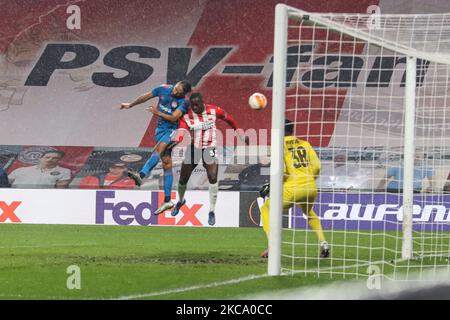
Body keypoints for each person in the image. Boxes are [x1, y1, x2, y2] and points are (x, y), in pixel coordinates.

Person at [164, 92, 248, 225]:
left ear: (203, 102)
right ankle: (181, 200)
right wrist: (173, 143)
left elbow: (230, 120)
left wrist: (241, 134)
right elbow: (181, 133)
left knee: (213, 176)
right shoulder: (186, 116)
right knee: (183, 179)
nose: (195, 108)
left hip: (210, 148)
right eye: (192, 105)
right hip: (194, 149)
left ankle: (211, 211)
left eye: (197, 105)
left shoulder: (214, 110)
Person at [259, 120, 329, 258]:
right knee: (309, 212)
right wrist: (309, 180)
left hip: (293, 188)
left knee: (267, 208)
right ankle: (323, 242)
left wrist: (272, 185)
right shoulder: (305, 144)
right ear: (292, 131)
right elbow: (317, 167)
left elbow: (283, 172)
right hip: (311, 187)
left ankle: (272, 246)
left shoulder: (280, 146)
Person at [120, 80, 192, 214]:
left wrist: (156, 112)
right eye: (176, 88)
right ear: (176, 84)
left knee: (160, 149)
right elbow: (146, 96)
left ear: (183, 94)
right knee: (166, 163)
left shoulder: (184, 101)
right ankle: (167, 201)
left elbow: (173, 118)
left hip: (174, 131)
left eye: (179, 92)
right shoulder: (163, 89)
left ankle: (141, 175)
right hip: (160, 129)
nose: (175, 92)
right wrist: (130, 105)